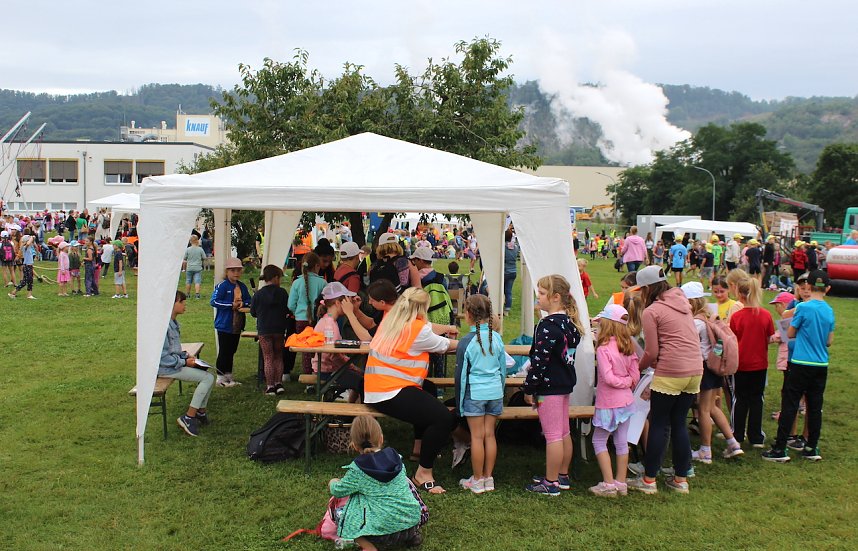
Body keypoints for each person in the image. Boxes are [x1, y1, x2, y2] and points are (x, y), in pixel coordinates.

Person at [364, 288, 458, 494]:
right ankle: (423, 473)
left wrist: (447, 328)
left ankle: (419, 447)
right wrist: (476, 341)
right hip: (390, 391)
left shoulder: (392, 320)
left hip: (377, 388)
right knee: (443, 418)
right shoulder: (417, 330)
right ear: (423, 308)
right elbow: (446, 345)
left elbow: (428, 328)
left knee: (429, 389)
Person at [627, 266, 703, 495]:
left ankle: (649, 479)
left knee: (659, 423)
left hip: (670, 371)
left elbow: (651, 352)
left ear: (647, 289)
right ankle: (681, 479)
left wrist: (636, 369)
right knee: (678, 423)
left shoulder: (652, 311)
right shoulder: (684, 304)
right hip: (694, 370)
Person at [763, 270, 835, 463]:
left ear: (808, 286)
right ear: (827, 288)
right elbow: (829, 341)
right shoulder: (829, 310)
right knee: (815, 406)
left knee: (790, 403)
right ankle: (811, 447)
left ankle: (780, 449)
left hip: (801, 362)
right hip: (821, 364)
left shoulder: (803, 307)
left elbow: (791, 333)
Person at [523, 274, 583, 496]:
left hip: (548, 389)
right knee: (563, 431)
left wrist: (529, 388)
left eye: (541, 293)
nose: (537, 297)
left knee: (553, 435)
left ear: (556, 297)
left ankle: (550, 482)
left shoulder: (548, 326)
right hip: (563, 385)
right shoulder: (569, 323)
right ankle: (562, 475)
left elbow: (539, 361)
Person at [328, 415, 423, 550]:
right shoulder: (397, 459)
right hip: (412, 523)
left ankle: (369, 547)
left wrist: (333, 482)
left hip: (381, 534)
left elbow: (338, 491)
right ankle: (412, 537)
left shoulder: (358, 470)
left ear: (354, 445)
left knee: (342, 514)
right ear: (381, 439)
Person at [680, 282, 744, 464]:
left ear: (691, 302)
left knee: (703, 409)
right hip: (713, 368)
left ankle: (705, 451)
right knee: (713, 407)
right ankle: (733, 443)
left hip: (703, 368)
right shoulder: (709, 316)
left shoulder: (696, 323)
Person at [455, 294, 505, 494]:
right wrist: (500, 390)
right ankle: (488, 478)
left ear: (468, 314)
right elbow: (503, 370)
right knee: (490, 435)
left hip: (475, 393)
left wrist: (459, 403)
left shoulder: (466, 341)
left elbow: (461, 376)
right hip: (495, 392)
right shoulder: (497, 338)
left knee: (477, 437)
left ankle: (477, 480)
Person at [589, 304, 639, 497]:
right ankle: (621, 482)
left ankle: (609, 483)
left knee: (599, 440)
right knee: (621, 441)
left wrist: (622, 382)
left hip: (608, 403)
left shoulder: (603, 349)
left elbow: (608, 377)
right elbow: (635, 375)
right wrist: (627, 382)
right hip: (626, 402)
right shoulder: (628, 346)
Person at [161, 291, 216, 437]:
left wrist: (185, 356)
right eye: (181, 302)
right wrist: (184, 362)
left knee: (209, 374)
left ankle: (200, 412)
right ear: (171, 304)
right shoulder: (163, 327)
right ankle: (189, 417)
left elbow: (173, 349)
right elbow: (162, 359)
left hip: (173, 364)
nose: (184, 305)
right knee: (208, 378)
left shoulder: (173, 322)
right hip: (166, 369)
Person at [729, 276, 774, 449]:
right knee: (756, 399)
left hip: (741, 364)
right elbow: (769, 338)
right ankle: (755, 436)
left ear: (739, 294)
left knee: (739, 399)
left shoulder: (737, 317)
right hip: (759, 364)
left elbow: (732, 340)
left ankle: (737, 433)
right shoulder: (766, 315)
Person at [210, 257, 251, 387]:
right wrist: (230, 305)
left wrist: (243, 303)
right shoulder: (222, 286)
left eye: (238, 270)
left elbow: (249, 300)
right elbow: (214, 301)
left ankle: (229, 376)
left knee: (232, 350)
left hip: (237, 324)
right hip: (224, 324)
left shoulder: (242, 286)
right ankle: (220, 377)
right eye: (233, 270)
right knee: (224, 351)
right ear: (227, 272)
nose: (236, 273)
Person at [250, 264, 291, 396]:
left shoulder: (258, 294)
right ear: (275, 278)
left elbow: (253, 312)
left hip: (264, 329)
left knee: (268, 357)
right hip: (279, 328)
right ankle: (279, 383)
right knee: (278, 356)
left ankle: (270, 386)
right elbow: (288, 309)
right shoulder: (282, 293)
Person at [287, 251, 326, 374]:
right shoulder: (322, 283)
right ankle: (316, 373)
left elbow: (290, 304)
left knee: (305, 351)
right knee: (317, 348)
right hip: (317, 320)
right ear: (317, 266)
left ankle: (307, 374)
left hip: (300, 319)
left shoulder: (296, 283)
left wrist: (297, 312)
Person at [8, 234, 36, 299]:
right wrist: (32, 237)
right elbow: (28, 243)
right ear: (27, 241)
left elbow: (30, 242)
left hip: (29, 266)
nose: (31, 242)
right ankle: (13, 293)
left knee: (30, 281)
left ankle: (29, 295)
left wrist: (32, 238)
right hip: (27, 267)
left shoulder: (27, 247)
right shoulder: (25, 247)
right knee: (25, 282)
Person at [503, 228, 518, 315]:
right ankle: (507, 309)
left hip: (505, 271)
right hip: (513, 271)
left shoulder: (503, 247)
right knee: (508, 291)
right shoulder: (515, 247)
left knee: (501, 290)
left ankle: (500, 305)